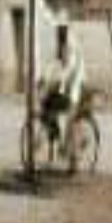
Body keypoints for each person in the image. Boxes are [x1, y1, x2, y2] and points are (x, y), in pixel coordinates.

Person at [39, 23, 86, 155]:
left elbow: (70, 67)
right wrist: (43, 77)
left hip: (75, 83)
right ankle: (56, 139)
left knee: (69, 114)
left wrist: (59, 80)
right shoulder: (60, 44)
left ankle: (67, 146)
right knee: (49, 106)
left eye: (61, 30)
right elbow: (52, 62)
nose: (59, 33)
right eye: (58, 30)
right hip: (67, 84)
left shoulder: (71, 45)